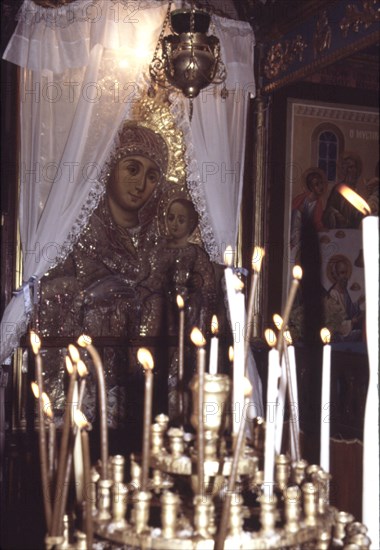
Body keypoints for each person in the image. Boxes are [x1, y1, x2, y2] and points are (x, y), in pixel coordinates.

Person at [38, 123, 171, 441]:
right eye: (133, 168)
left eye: (152, 176)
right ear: (110, 168)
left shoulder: (161, 238)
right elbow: (41, 296)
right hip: (85, 384)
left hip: (143, 388)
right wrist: (85, 294)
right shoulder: (76, 231)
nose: (141, 183)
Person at [290, 167, 327, 263]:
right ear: (310, 187)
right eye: (316, 185)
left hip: (308, 232)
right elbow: (293, 216)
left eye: (321, 183)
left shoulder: (318, 202)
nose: (320, 187)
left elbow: (317, 221)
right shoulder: (302, 199)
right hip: (296, 231)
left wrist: (322, 228)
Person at [324, 255, 364, 342]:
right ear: (336, 275)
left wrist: (358, 303)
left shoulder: (344, 291)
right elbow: (333, 321)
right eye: (342, 273)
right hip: (338, 334)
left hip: (348, 329)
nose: (345, 276)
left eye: (346, 272)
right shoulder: (332, 294)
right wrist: (352, 322)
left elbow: (349, 311)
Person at [322, 151, 366, 229]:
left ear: (357, 169)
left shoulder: (360, 189)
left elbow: (364, 211)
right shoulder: (338, 189)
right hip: (339, 229)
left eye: (352, 167)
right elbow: (329, 209)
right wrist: (336, 214)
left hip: (355, 230)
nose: (350, 171)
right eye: (347, 168)